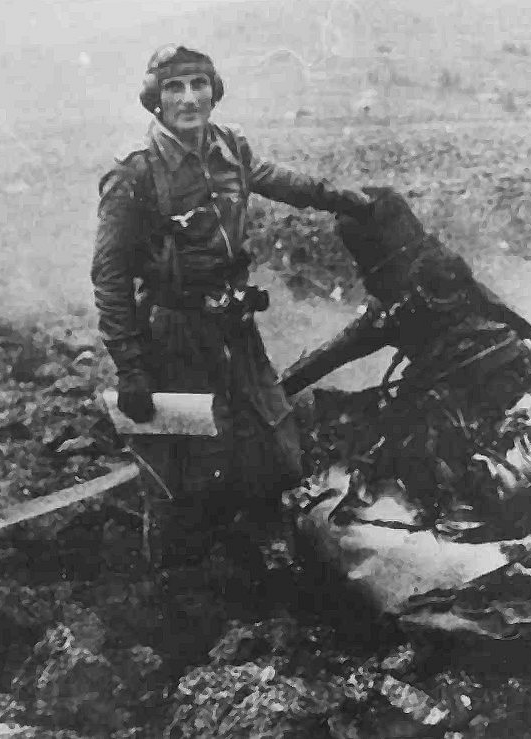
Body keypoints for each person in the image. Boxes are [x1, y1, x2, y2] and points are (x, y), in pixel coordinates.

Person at [91, 44, 370, 567]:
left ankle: (261, 564)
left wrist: (340, 197)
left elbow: (279, 180)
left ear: (213, 90)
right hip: (176, 334)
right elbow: (109, 277)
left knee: (276, 444)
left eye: (199, 84)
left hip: (234, 326)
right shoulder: (134, 175)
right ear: (154, 99)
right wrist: (130, 366)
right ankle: (181, 591)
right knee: (190, 469)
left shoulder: (229, 148)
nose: (190, 98)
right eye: (175, 87)